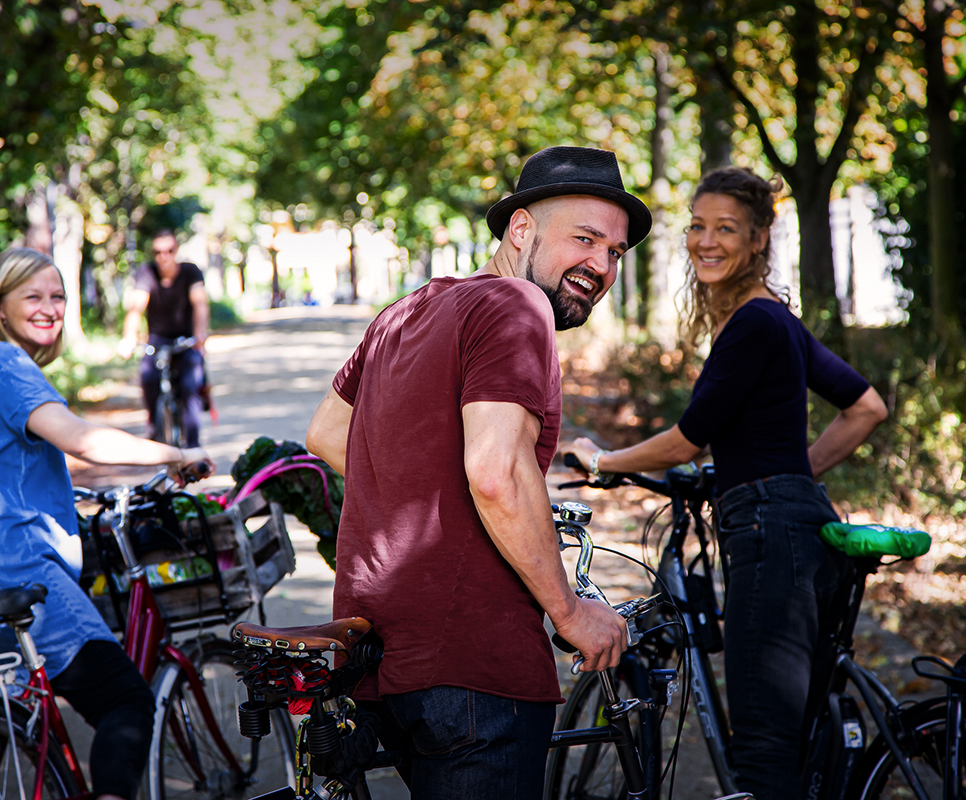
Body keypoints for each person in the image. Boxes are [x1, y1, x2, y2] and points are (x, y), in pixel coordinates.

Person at [304, 146, 648, 800]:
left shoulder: (402, 314)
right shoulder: (519, 306)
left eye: (615, 252)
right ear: (521, 229)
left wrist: (428, 487)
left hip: (383, 662)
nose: (601, 266)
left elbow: (326, 432)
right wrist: (568, 610)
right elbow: (495, 472)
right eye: (585, 239)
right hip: (475, 665)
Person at [564, 166, 889, 800]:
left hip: (770, 536)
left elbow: (689, 439)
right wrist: (795, 472)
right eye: (697, 227)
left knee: (763, 753)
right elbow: (867, 406)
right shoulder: (775, 319)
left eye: (726, 229)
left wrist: (603, 459)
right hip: (804, 526)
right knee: (795, 741)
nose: (706, 242)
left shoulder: (753, 324)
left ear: (760, 238)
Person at [0, 247, 214, 800]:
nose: (49, 307)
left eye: (57, 296)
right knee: (124, 700)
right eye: (32, 296)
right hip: (12, 569)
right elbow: (79, 439)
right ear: (1, 306)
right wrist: (175, 455)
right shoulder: (6, 364)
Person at [118, 229, 210, 447]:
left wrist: (200, 335)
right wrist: (128, 337)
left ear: (176, 250)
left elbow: (200, 305)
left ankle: (194, 445)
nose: (163, 257)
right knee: (148, 377)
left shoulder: (190, 272)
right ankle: (153, 428)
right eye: (158, 252)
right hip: (157, 340)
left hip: (185, 340)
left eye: (169, 251)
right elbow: (136, 307)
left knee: (189, 387)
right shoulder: (147, 273)